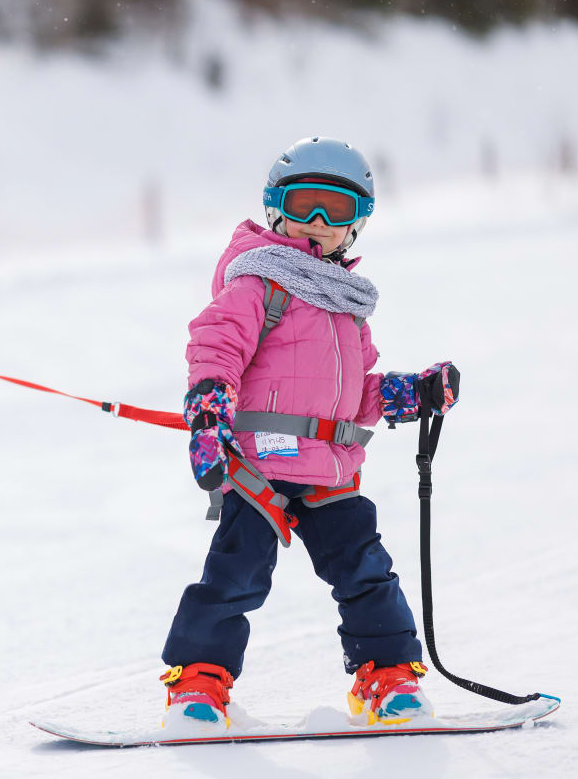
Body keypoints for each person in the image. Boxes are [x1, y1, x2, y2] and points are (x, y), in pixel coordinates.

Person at [159, 137, 460, 731]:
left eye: (336, 211)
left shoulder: (345, 306)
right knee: (235, 577)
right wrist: (209, 414)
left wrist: (410, 393)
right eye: (304, 206)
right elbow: (213, 348)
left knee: (366, 571)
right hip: (258, 469)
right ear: (276, 209)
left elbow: (356, 394)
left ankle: (389, 677)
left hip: (330, 468)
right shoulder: (257, 283)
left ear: (357, 225)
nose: (317, 224)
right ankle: (198, 684)